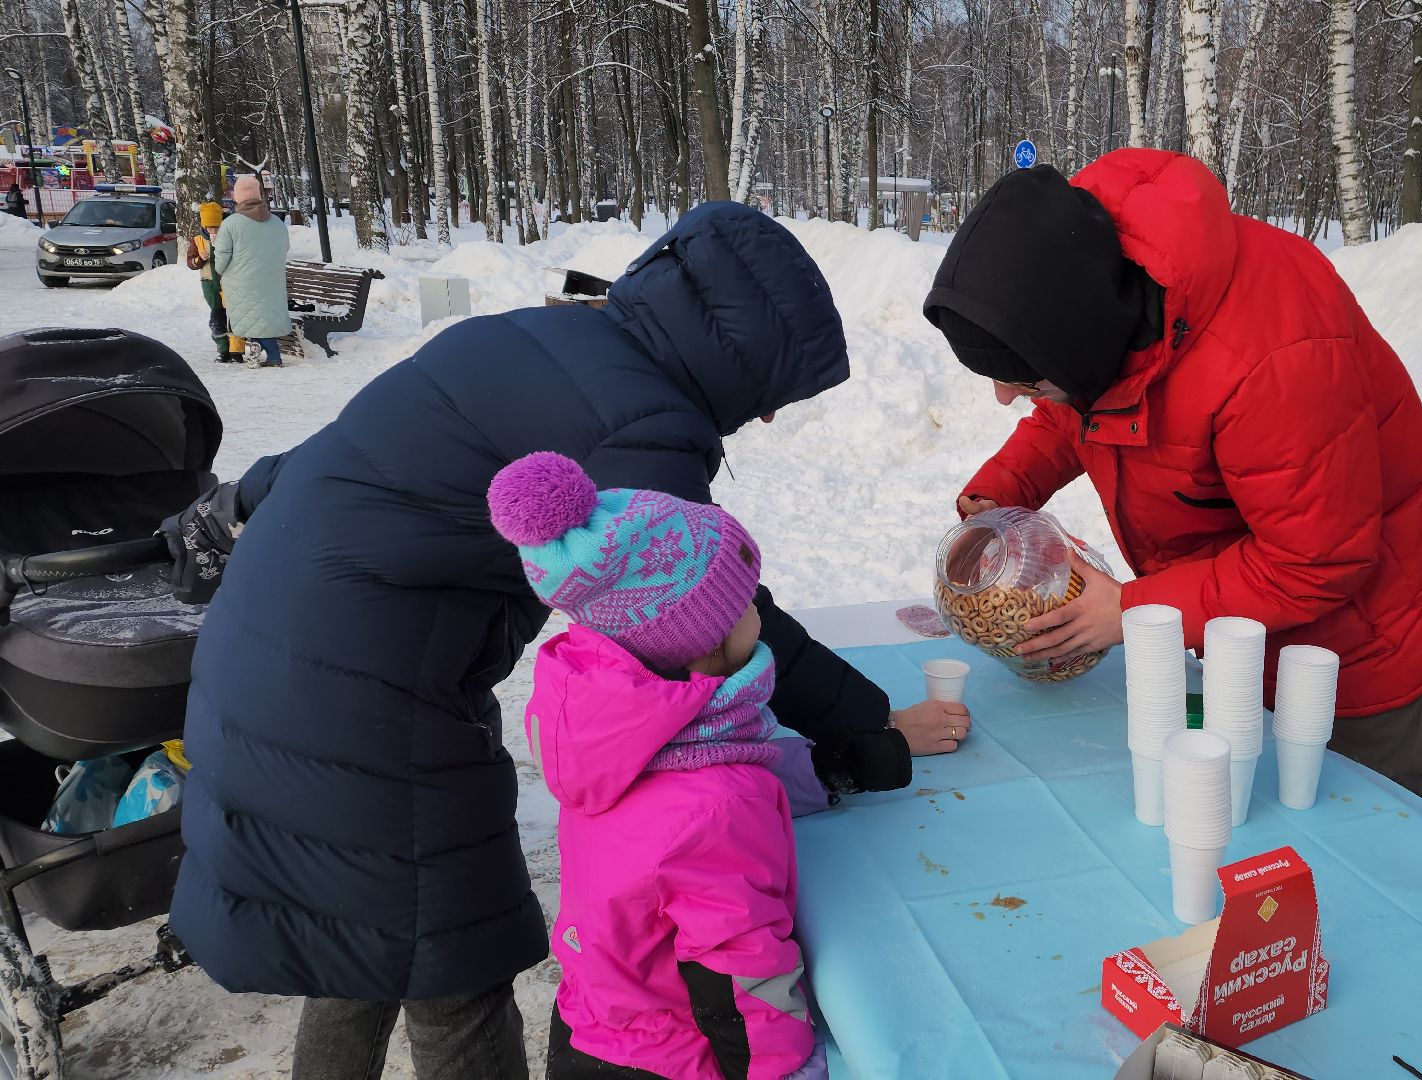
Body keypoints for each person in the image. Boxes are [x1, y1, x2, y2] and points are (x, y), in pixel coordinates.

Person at [163, 202, 969, 1080]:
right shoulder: (638, 419)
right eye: (772, 395)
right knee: (450, 964)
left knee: (363, 931)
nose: (766, 421)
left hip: (270, 653)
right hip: (366, 700)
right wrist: (872, 719)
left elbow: (345, 453)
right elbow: (715, 610)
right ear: (735, 362)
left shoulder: (541, 337)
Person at [923, 150, 1422, 795]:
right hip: (1238, 635)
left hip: (1351, 664)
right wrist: (1003, 489)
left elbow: (1315, 561)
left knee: (1361, 849)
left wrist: (1129, 610)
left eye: (1022, 380)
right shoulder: (1103, 292)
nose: (1006, 398)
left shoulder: (1276, 358)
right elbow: (1079, 408)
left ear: (1076, 340)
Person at [489, 459, 825, 1080]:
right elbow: (741, 970)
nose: (759, 610)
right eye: (746, 599)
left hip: (597, 1019)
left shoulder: (611, 734)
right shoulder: (717, 800)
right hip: (675, 1056)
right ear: (708, 643)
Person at [214, 174, 291, 368]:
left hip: (242, 281)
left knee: (250, 316)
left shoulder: (231, 224)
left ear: (238, 197)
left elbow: (221, 256)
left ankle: (270, 352)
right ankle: (270, 353)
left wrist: (220, 270)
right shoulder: (276, 222)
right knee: (263, 315)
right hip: (271, 278)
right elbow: (285, 247)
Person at [184, 202, 243, 364]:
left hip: (229, 281)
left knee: (234, 316)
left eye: (216, 227)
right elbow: (190, 263)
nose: (213, 231)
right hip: (209, 282)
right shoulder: (197, 240)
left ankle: (237, 351)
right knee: (217, 317)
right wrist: (199, 259)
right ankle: (223, 350)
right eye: (209, 228)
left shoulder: (229, 236)